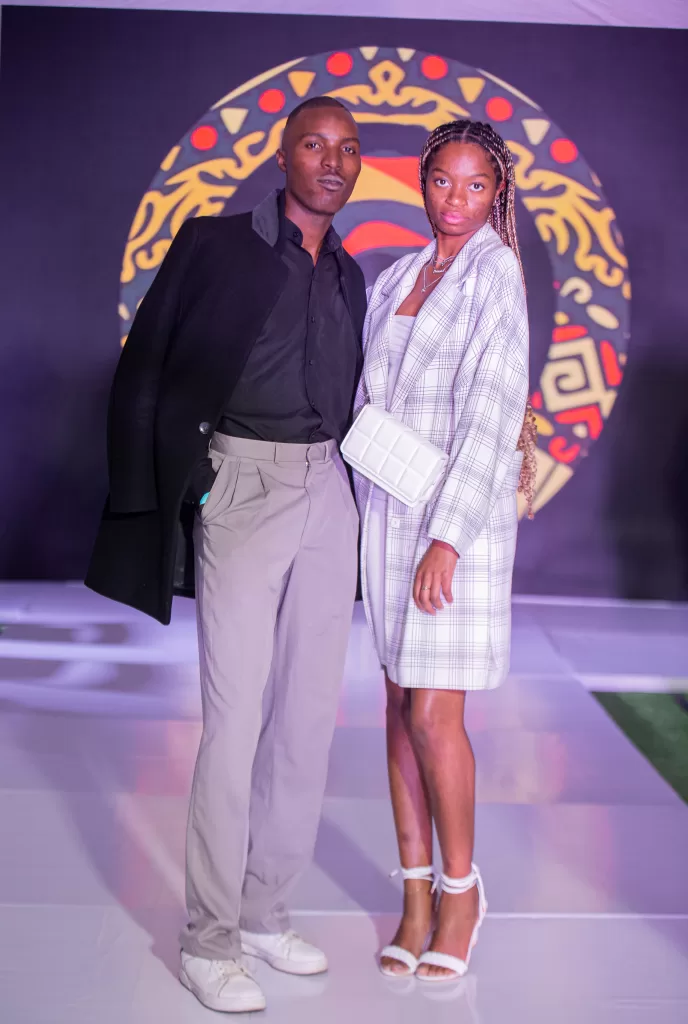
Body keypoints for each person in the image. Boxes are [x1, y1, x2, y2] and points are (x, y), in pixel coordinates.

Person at [86, 96, 366, 1013]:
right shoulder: (214, 244)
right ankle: (208, 940)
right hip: (242, 483)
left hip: (329, 491)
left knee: (308, 720)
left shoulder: (350, 272)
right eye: (314, 145)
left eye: (348, 149)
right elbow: (144, 368)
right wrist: (160, 492)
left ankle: (264, 914)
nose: (332, 161)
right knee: (235, 719)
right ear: (282, 157)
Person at [353, 119, 535, 982]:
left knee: (433, 715)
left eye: (475, 185)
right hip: (387, 512)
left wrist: (448, 539)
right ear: (420, 181)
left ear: (498, 193)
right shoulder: (396, 276)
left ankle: (461, 893)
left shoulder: (495, 274)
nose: (456, 200)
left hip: (452, 525)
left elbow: (492, 414)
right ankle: (415, 894)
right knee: (396, 708)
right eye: (441, 181)